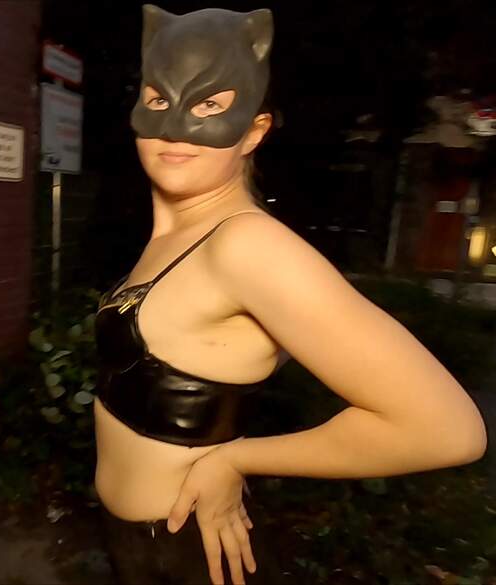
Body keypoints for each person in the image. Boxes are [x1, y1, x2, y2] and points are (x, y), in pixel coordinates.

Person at [93, 5, 488, 585]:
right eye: (158, 99)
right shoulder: (176, 236)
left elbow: (446, 429)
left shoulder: (248, 246)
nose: (175, 127)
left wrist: (237, 459)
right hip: (133, 546)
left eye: (209, 106)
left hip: (189, 555)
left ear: (254, 132)